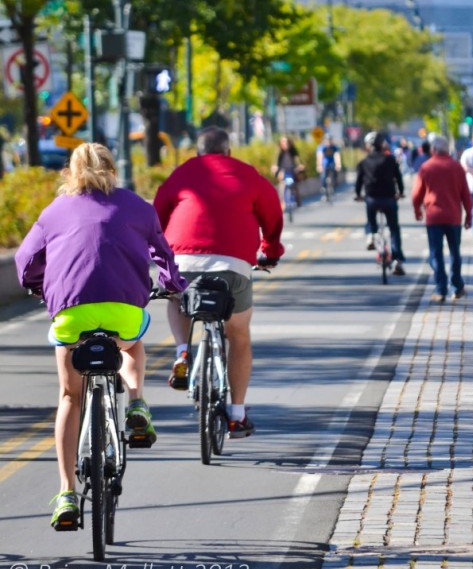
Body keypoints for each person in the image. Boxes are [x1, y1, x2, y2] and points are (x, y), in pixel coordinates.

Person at [14, 143, 186, 530]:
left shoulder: (54, 211)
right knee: (131, 343)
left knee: (69, 396)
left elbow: (24, 261)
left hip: (71, 315)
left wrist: (40, 285)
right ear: (113, 168)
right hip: (123, 311)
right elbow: (164, 254)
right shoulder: (138, 207)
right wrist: (172, 283)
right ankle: (138, 404)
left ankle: (66, 493)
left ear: (69, 172)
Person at [153, 126, 284, 439]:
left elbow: (156, 216)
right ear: (228, 152)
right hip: (233, 264)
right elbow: (273, 214)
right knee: (238, 335)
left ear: (197, 152)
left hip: (183, 261)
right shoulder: (248, 174)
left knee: (176, 297)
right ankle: (237, 415)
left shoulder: (182, 173)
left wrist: (158, 256)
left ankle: (183, 353)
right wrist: (269, 252)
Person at [412, 135, 473, 302]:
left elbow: (417, 193)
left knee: (436, 253)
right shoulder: (457, 167)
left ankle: (440, 289)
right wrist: (468, 214)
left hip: (434, 216)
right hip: (453, 216)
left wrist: (417, 209)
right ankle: (457, 286)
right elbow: (465, 194)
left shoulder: (426, 167)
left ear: (433, 150)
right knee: (455, 252)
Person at [355, 131, 406, 275]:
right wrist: (400, 192)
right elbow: (398, 177)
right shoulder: (390, 160)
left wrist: (358, 195)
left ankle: (371, 233)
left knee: (371, 214)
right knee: (394, 229)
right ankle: (397, 259)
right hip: (389, 199)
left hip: (372, 199)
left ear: (368, 146)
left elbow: (359, 182)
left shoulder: (364, 162)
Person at [272, 135, 304, 207]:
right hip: (283, 171)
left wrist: (300, 166)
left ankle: (298, 199)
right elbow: (276, 163)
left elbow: (298, 160)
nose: (285, 144)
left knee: (294, 184)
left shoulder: (293, 150)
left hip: (292, 170)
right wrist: (276, 169)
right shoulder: (279, 152)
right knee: (282, 185)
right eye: (283, 142)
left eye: (287, 142)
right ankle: (282, 202)